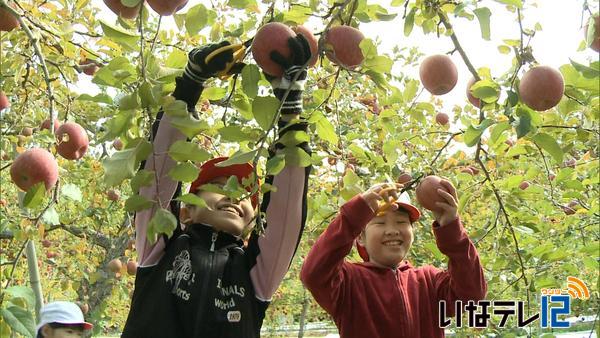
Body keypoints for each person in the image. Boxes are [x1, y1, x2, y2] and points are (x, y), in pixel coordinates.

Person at [121, 35, 313, 337]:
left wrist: (290, 113)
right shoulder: (159, 251)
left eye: (246, 194)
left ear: (254, 222)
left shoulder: (256, 275)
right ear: (185, 210)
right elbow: (158, 178)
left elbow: (285, 214)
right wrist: (190, 85)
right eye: (220, 185)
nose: (234, 195)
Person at [300, 181, 487, 338]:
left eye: (401, 222)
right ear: (360, 237)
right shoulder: (348, 282)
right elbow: (313, 274)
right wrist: (354, 216)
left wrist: (452, 230)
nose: (392, 230)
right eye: (380, 222)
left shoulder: (430, 281)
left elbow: (472, 295)